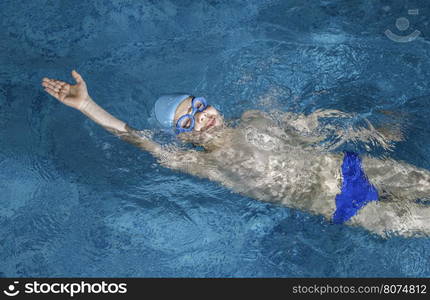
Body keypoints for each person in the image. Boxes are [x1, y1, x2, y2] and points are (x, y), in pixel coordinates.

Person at [41, 70, 430, 238]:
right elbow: (135, 138)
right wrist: (87, 106)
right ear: (183, 139)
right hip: (345, 206)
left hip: (353, 166)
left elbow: (311, 126)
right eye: (187, 122)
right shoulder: (201, 162)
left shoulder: (254, 118)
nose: (200, 117)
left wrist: (370, 129)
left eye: (197, 106)